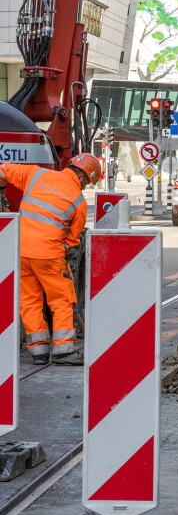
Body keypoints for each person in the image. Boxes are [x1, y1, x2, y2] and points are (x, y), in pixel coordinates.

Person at [0, 153, 102, 363]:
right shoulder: (78, 202)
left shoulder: (35, 174)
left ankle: (38, 351)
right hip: (49, 255)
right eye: (88, 183)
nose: (85, 187)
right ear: (83, 178)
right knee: (62, 299)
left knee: (29, 301)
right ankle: (64, 350)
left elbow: (3, 170)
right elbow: (72, 241)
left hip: (21, 251)